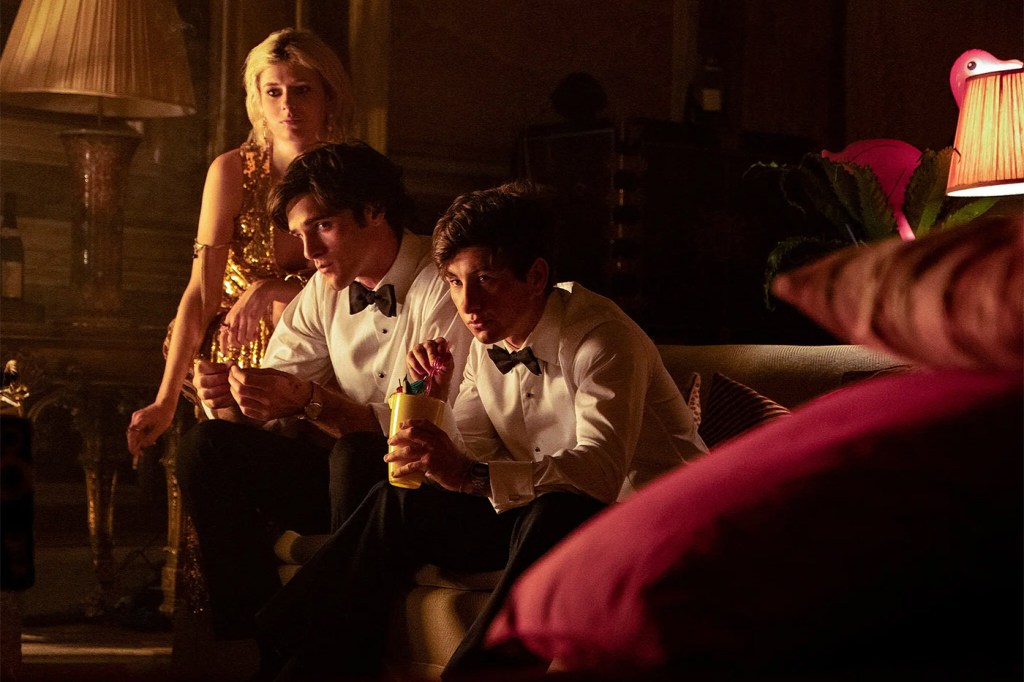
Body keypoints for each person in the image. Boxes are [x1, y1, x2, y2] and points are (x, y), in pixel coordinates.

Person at [255, 181, 707, 680]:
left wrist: (469, 473)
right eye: (452, 281)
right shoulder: (483, 342)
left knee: (557, 506)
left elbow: (597, 474)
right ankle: (294, 636)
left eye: (485, 279)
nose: (466, 303)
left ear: (536, 276)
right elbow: (469, 454)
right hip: (537, 514)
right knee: (400, 498)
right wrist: (435, 402)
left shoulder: (602, 337)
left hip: (649, 520)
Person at [174, 142, 472, 657]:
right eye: (298, 234)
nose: (308, 251)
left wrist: (313, 402)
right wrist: (228, 399)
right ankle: (257, 638)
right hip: (344, 477)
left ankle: (330, 646)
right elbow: (278, 386)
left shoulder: (445, 284)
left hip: (415, 485)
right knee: (207, 445)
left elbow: (430, 428)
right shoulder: (323, 288)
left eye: (323, 226)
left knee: (352, 453)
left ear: (374, 210)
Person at [126, 27, 354, 460]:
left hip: (330, 344)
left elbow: (365, 286)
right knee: (229, 455)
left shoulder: (352, 174)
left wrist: (273, 289)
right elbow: (201, 292)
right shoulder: (232, 172)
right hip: (237, 349)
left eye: (302, 90)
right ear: (258, 101)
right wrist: (166, 400)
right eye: (274, 92)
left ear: (329, 96)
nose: (287, 105)